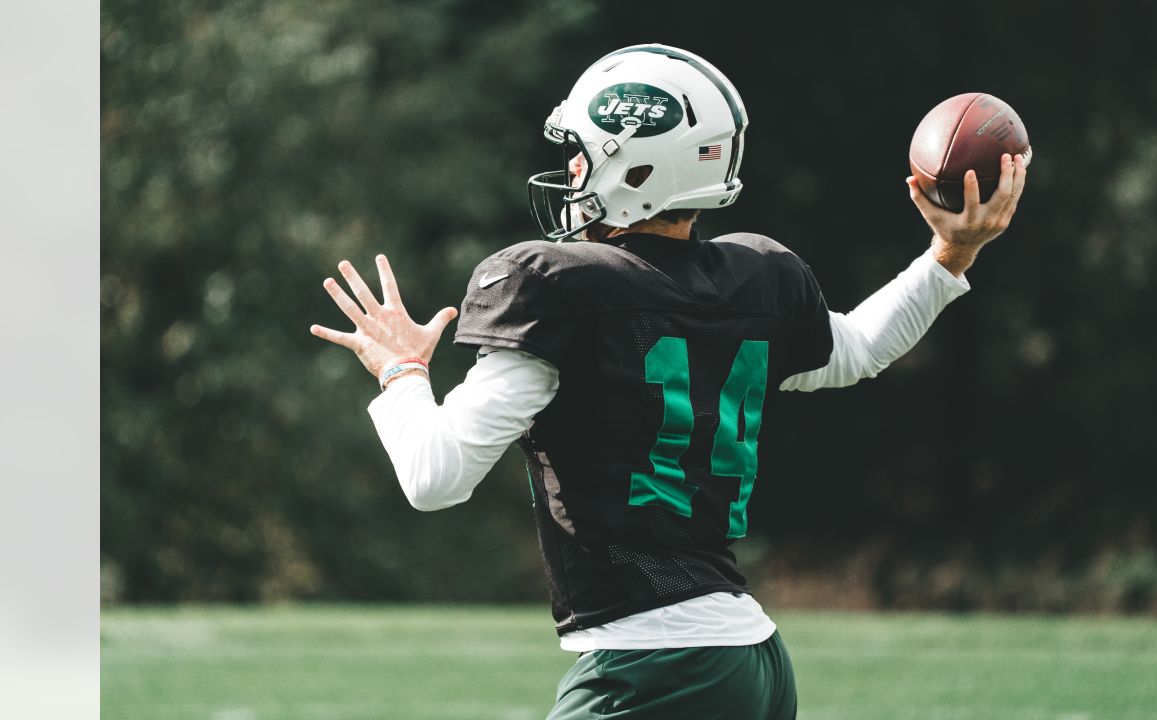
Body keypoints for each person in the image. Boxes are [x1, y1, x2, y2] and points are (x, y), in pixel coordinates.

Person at [310, 43, 1026, 720]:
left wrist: (401, 372)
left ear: (637, 168)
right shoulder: (753, 279)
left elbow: (435, 477)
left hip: (656, 664)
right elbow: (859, 349)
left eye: (585, 157)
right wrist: (949, 254)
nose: (574, 175)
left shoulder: (560, 291)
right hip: (752, 663)